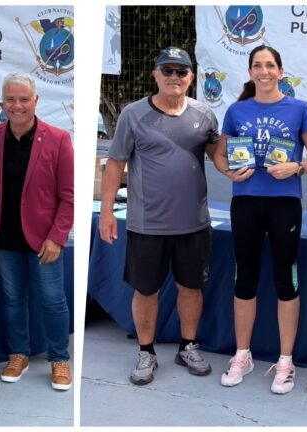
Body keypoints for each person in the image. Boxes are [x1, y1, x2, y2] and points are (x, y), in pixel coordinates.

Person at [99, 47, 219, 385]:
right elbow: (114, 165)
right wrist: (106, 212)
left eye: (181, 72)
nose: (174, 77)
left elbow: (220, 157)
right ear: (154, 75)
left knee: (191, 288)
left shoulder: (205, 115)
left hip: (194, 224)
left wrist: (244, 166)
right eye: (167, 70)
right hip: (146, 225)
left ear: (191, 78)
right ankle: (146, 352)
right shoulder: (132, 115)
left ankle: (188, 346)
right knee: (146, 291)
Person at [212, 45, 307, 394]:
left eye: (270, 65)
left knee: (285, 282)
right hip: (245, 203)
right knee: (244, 279)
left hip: (284, 204)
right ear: (249, 72)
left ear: (280, 71)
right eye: (257, 65)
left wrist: (296, 167)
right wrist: (229, 172)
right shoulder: (237, 110)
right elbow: (219, 154)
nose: (264, 71)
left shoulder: (299, 108)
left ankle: (285, 361)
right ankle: (242, 355)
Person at [0, 73, 74, 390]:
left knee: (52, 301)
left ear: (36, 101)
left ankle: (59, 359)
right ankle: (18, 354)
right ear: (2, 103)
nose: (17, 106)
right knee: (12, 299)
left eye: (24, 99)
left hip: (44, 240)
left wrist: (57, 238)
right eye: (11, 99)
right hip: (3, 236)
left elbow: (69, 196)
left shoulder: (59, 138)